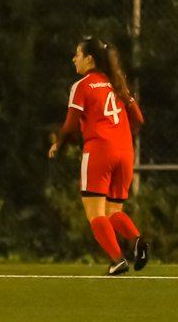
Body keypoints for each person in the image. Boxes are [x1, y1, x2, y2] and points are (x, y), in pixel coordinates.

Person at [49, 37, 150, 274]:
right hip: (125, 151)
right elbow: (138, 118)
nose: (74, 59)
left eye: (77, 55)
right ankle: (137, 242)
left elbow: (70, 125)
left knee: (94, 213)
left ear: (89, 59)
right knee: (113, 212)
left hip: (100, 151)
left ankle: (118, 260)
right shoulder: (117, 82)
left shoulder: (82, 85)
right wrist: (119, 134)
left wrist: (58, 144)